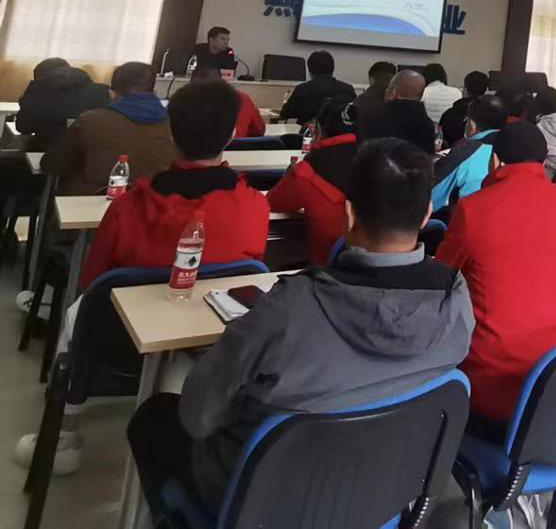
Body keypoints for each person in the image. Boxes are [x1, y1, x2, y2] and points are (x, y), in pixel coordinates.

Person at [127, 138, 474, 521]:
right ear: (426, 215)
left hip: (265, 503)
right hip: (381, 495)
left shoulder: (291, 308)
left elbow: (198, 414)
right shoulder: (455, 299)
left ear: (348, 214)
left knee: (156, 417)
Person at [437, 122, 556, 427]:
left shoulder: (473, 209)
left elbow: (442, 275)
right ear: (544, 162)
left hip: (493, 386)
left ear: (496, 160)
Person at [80, 81, 269, 289]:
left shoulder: (126, 208)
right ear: (232, 135)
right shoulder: (256, 206)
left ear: (170, 134)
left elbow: (92, 285)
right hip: (217, 310)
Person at [42, 62, 174, 195]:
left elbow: (52, 164)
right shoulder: (171, 123)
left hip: (93, 201)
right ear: (154, 92)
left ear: (111, 93)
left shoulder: (90, 120)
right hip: (151, 202)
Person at [266, 97, 358, 264]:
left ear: (317, 130)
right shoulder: (385, 164)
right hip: (380, 266)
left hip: (326, 269)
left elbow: (273, 203)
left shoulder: (306, 172)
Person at [431, 95, 506, 212]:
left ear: (472, 125)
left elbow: (431, 198)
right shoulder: (519, 146)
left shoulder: (465, 153)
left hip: (470, 217)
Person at [15, 58, 110, 148]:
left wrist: (24, 103)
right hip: (92, 152)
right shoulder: (104, 91)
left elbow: (23, 127)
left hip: (48, 151)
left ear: (39, 77)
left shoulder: (37, 92)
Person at [278, 51, 355, 126]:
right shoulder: (348, 90)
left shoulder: (302, 89)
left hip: (310, 133)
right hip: (343, 133)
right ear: (332, 69)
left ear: (310, 70)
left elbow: (284, 115)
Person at [189, 66, 265, 138]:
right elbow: (259, 130)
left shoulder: (187, 101)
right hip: (239, 146)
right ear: (221, 81)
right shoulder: (243, 98)